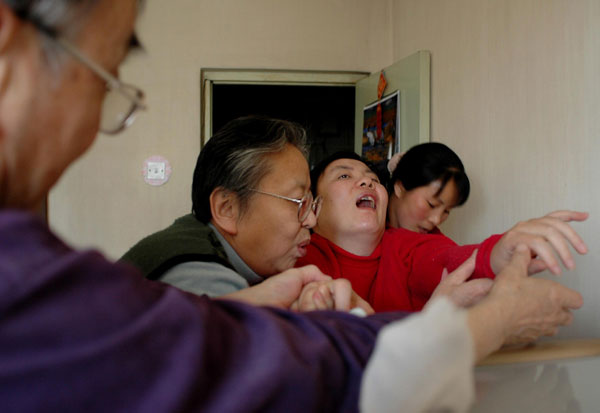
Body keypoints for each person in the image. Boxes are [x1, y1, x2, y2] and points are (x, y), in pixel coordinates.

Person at [0, 0, 585, 411]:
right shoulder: (191, 267)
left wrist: (500, 252)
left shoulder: (366, 255)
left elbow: (455, 259)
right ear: (226, 209)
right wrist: (494, 320)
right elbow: (288, 371)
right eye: (102, 80)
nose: (87, 131)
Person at [121, 116, 370, 312]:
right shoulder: (203, 278)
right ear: (227, 209)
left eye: (310, 203)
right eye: (297, 202)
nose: (311, 220)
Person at [297, 151, 588, 312]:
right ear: (313, 207)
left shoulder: (405, 246)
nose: (367, 182)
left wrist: (501, 251)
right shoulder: (294, 257)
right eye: (345, 175)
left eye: (373, 178)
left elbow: (449, 259)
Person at [387, 142, 470, 234]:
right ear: (400, 188)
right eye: (431, 204)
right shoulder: (371, 232)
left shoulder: (433, 241)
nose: (436, 220)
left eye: (446, 211)